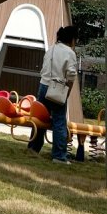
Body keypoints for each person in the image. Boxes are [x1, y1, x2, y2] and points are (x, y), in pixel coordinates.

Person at [27, 26, 79, 163]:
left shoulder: (51, 49)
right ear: (72, 39)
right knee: (59, 122)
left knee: (40, 119)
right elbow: (71, 76)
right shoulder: (70, 53)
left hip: (43, 86)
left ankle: (33, 148)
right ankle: (59, 155)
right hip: (58, 88)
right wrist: (67, 92)